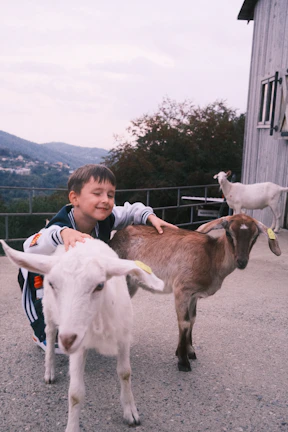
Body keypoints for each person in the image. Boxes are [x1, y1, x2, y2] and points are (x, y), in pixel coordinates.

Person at [18, 164, 177, 353]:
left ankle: (80, 323)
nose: (106, 200)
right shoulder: (60, 225)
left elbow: (131, 209)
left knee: (84, 292)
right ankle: (41, 333)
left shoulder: (105, 218)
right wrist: (62, 233)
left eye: (110, 195)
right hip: (41, 276)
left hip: (74, 274)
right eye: (97, 193)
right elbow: (30, 246)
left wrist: (149, 217)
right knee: (44, 301)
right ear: (74, 198)